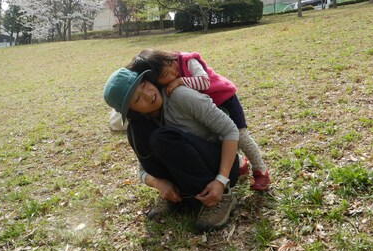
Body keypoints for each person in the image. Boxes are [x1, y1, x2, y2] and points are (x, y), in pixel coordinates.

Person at [103, 67, 240, 232]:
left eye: (144, 84)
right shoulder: (141, 125)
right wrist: (158, 183)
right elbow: (143, 169)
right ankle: (181, 198)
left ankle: (221, 198)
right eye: (138, 99)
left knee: (162, 138)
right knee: (138, 133)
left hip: (221, 165)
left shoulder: (180, 96)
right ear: (133, 111)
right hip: (191, 171)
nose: (148, 94)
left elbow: (230, 130)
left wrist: (221, 180)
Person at [128, 48, 270, 191]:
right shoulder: (151, 115)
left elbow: (205, 82)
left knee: (241, 136)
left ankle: (260, 170)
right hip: (210, 105)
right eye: (165, 75)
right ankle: (239, 164)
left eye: (170, 63)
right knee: (218, 134)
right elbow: (143, 166)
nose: (173, 71)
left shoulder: (188, 62)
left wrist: (181, 81)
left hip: (226, 99)